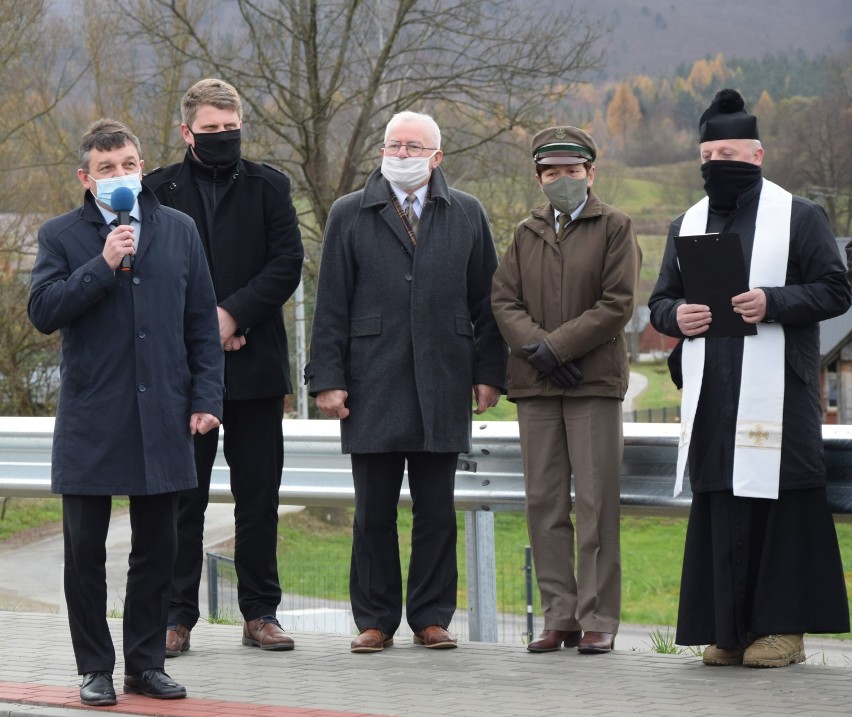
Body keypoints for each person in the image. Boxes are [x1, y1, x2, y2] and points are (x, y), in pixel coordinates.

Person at [649, 89, 851, 668]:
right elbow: (662, 298)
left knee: (781, 506)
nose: (718, 164)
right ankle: (729, 629)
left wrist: (773, 301)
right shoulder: (686, 221)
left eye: (730, 153)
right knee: (724, 507)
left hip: (778, 394)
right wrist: (674, 317)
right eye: (709, 154)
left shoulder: (800, 215)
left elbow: (837, 289)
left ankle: (782, 632)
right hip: (714, 391)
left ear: (757, 156)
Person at [28, 119, 224, 706]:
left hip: (164, 413)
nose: (122, 175)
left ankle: (146, 663)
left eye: (130, 164)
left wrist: (207, 399)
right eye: (108, 168)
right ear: (87, 179)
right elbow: (44, 309)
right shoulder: (62, 235)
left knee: (157, 549)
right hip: (93, 418)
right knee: (84, 552)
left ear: (143, 169)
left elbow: (201, 325)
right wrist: (103, 263)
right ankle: (94, 667)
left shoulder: (179, 230)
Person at [306, 110, 507, 653]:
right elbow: (330, 306)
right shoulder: (350, 213)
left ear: (437, 157)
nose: (402, 154)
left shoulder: (466, 212)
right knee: (373, 511)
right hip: (371, 381)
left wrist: (489, 372)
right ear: (380, 152)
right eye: (394, 145)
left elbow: (487, 301)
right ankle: (374, 620)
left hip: (444, 378)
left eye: (415, 147)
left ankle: (431, 618)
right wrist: (328, 379)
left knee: (436, 510)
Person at [144, 79, 304, 655]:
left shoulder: (269, 186)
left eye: (229, 128)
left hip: (256, 365)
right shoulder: (155, 191)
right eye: (210, 130)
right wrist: (202, 328)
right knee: (184, 496)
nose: (222, 138)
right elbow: (151, 269)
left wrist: (233, 316)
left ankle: (260, 613)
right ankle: (175, 616)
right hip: (185, 374)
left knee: (259, 494)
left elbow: (287, 262)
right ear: (187, 132)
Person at [492, 126, 641, 655]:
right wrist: (541, 352)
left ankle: (598, 616)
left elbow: (617, 303)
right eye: (551, 172)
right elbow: (504, 301)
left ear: (590, 173)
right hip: (536, 387)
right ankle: (560, 616)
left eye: (571, 171)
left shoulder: (615, 226)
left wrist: (559, 349)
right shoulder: (524, 232)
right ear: (538, 177)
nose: (562, 179)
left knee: (597, 502)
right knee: (544, 502)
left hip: (593, 385)